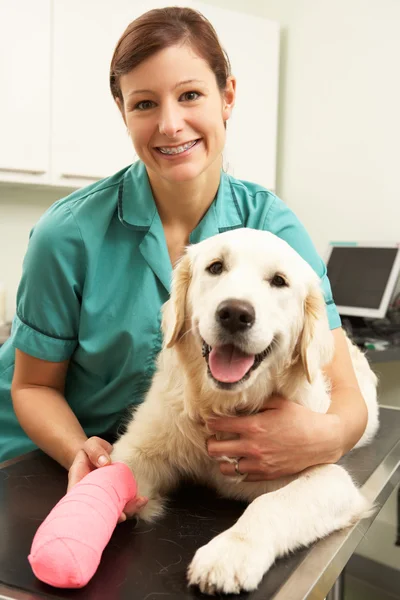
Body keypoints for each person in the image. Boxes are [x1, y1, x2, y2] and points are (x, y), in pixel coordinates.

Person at [0, 7, 367, 518]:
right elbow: (34, 385)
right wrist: (77, 449)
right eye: (145, 103)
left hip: (184, 476)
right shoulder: (67, 235)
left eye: (190, 95)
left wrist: (321, 437)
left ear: (228, 97)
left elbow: (346, 394)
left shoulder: (274, 231)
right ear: (123, 111)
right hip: (41, 469)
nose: (171, 125)